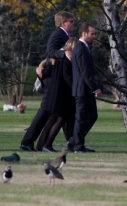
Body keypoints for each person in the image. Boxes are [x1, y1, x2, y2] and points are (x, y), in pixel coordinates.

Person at [20, 11, 76, 152]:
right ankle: (27, 142)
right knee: (45, 111)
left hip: (59, 82)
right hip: (54, 82)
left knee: (60, 114)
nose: (73, 24)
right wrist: (65, 53)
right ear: (63, 22)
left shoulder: (64, 35)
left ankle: (61, 143)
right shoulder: (58, 34)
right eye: (71, 21)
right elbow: (50, 51)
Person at [69, 22, 103, 153]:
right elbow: (85, 72)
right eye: (92, 33)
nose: (94, 36)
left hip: (85, 90)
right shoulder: (81, 48)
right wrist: (95, 88)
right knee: (81, 118)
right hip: (82, 90)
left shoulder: (84, 47)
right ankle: (77, 146)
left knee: (92, 116)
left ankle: (74, 142)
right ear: (84, 33)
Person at [37, 39, 75, 152]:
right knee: (58, 120)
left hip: (55, 94)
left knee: (54, 120)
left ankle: (43, 145)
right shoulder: (65, 60)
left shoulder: (56, 59)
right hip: (61, 95)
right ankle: (46, 145)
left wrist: (39, 72)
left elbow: (45, 74)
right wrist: (75, 88)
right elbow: (67, 77)